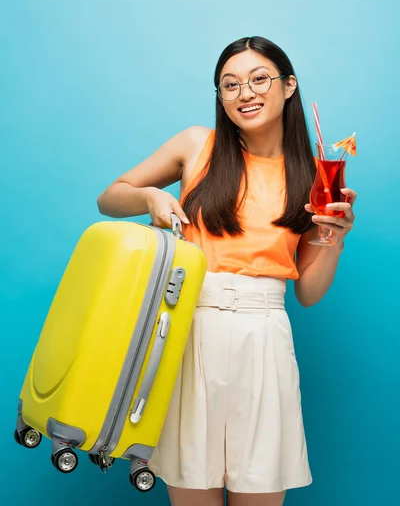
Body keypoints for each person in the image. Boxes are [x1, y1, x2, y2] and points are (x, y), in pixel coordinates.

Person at [97, 36, 356, 506]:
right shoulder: (197, 145)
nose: (246, 93)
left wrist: (333, 239)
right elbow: (110, 196)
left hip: (265, 337)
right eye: (230, 85)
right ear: (220, 97)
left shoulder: (315, 176)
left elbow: (309, 293)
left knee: (258, 490)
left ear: (289, 86)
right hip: (188, 329)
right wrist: (149, 196)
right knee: (192, 488)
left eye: (260, 79)